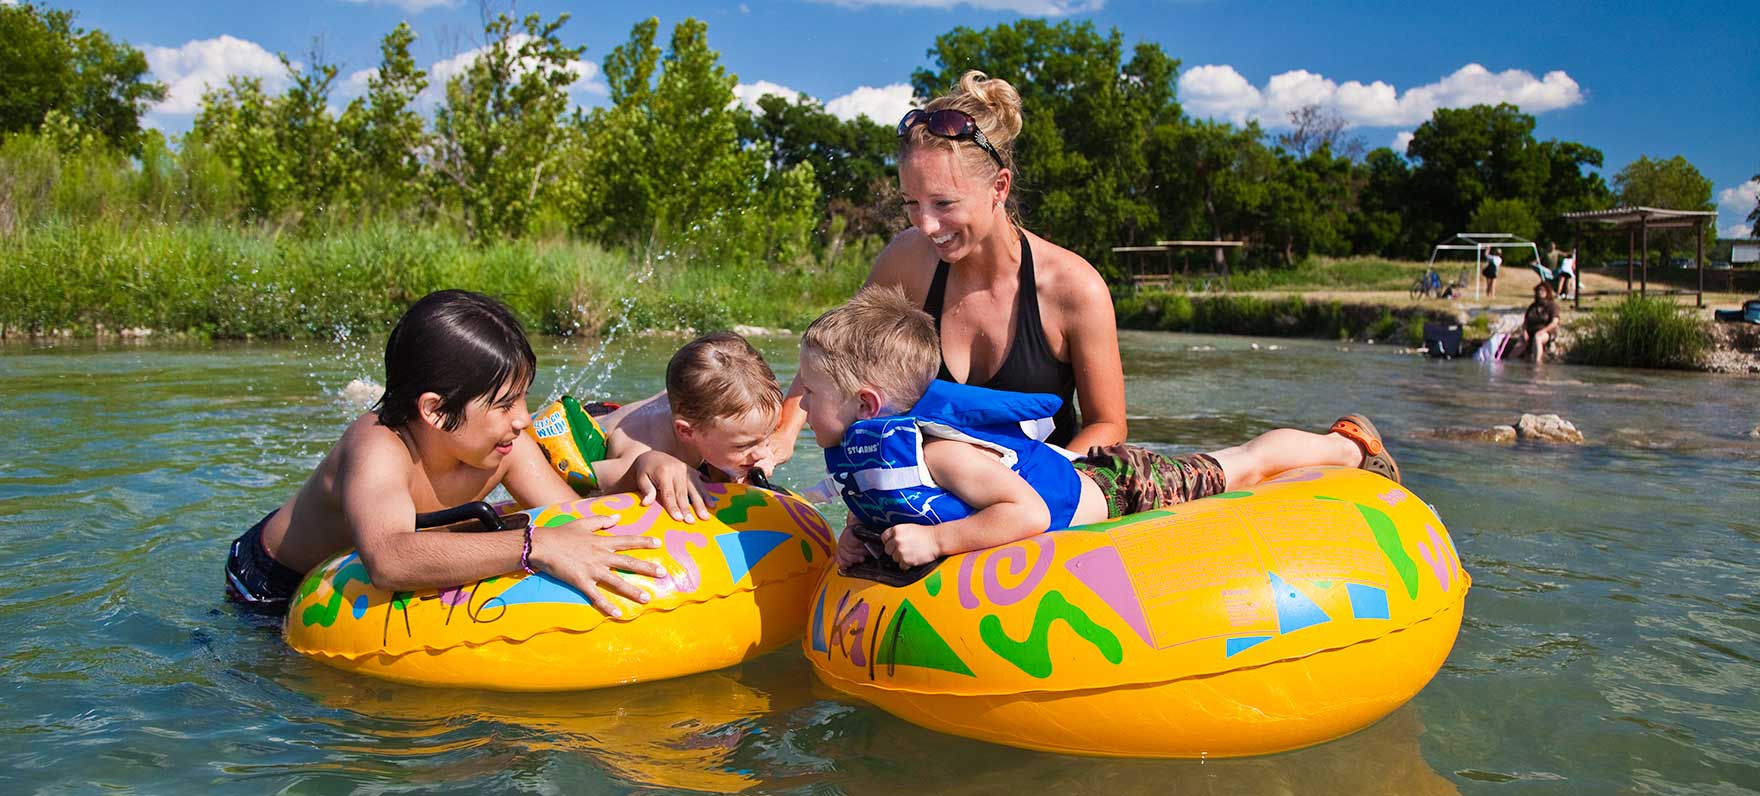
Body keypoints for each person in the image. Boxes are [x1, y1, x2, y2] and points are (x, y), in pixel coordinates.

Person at [799, 286, 1400, 570]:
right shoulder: (874, 451)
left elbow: (1029, 515)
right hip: (1070, 478)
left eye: (811, 393)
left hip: (1114, 487)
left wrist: (936, 543)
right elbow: (885, 495)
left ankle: (1344, 443)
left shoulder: (943, 456)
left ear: (867, 404)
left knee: (1236, 464)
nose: (800, 407)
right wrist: (861, 532)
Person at [223, 290, 664, 617]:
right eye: (504, 404)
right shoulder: (378, 448)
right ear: (435, 410)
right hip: (271, 584)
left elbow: (571, 515)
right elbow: (389, 560)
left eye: (524, 398)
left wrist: (641, 469)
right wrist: (533, 545)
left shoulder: (506, 448)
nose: (524, 419)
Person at [768, 70, 1127, 463]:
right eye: (911, 203)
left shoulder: (1075, 289)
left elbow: (1108, 425)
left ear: (1000, 188)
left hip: (1043, 501)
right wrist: (783, 436)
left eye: (943, 204)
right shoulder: (907, 261)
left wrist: (1033, 483)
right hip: (930, 499)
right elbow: (832, 354)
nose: (925, 225)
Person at [588, 331, 783, 524]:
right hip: (596, 436)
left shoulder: (708, 402)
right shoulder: (644, 451)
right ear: (687, 431)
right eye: (744, 446)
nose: (762, 453)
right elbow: (584, 488)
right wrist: (635, 472)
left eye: (766, 438)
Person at [1514, 282, 1562, 363]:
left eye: (1542, 290)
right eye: (1538, 290)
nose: (1540, 292)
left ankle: (1538, 363)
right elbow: (1525, 322)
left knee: (1537, 338)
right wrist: (1524, 332)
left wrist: (1543, 331)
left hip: (1545, 332)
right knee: (1518, 346)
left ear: (1547, 292)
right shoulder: (1532, 307)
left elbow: (1554, 322)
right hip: (1530, 332)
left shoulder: (1552, 306)